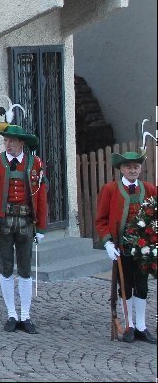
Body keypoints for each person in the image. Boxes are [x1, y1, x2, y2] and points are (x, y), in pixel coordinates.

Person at [0, 116, 47, 334]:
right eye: (5, 140)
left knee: (26, 269)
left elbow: (42, 196)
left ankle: (26, 315)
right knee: (6, 266)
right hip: (3, 221)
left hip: (27, 221)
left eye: (12, 141)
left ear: (21, 143)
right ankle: (11, 313)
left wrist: (42, 227)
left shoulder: (35, 163)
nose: (8, 144)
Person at [95, 145, 157, 344]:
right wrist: (107, 243)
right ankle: (129, 325)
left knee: (142, 286)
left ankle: (141, 326)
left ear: (140, 168)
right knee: (125, 286)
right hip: (121, 248)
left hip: (144, 249)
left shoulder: (149, 189)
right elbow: (101, 220)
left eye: (136, 166)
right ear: (121, 169)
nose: (132, 170)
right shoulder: (110, 189)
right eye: (128, 167)